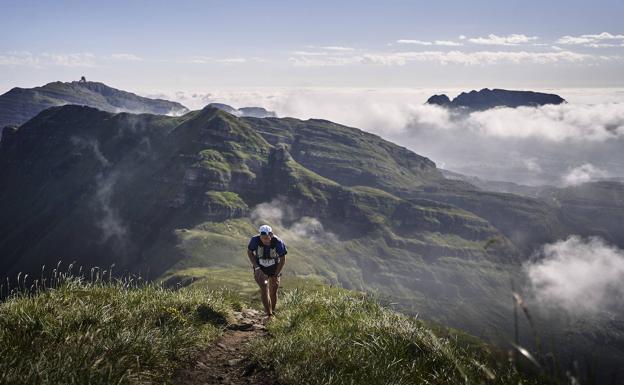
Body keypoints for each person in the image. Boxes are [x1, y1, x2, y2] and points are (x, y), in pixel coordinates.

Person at [247, 224, 287, 319]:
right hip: (261, 267)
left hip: (274, 267)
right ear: (260, 236)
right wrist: (257, 268)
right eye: (264, 238)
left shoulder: (278, 242)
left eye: (268, 238)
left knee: (273, 290)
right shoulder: (254, 240)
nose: (266, 240)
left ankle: (272, 312)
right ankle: (268, 314)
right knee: (264, 288)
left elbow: (283, 258)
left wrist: (276, 274)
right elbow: (249, 252)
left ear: (271, 235)